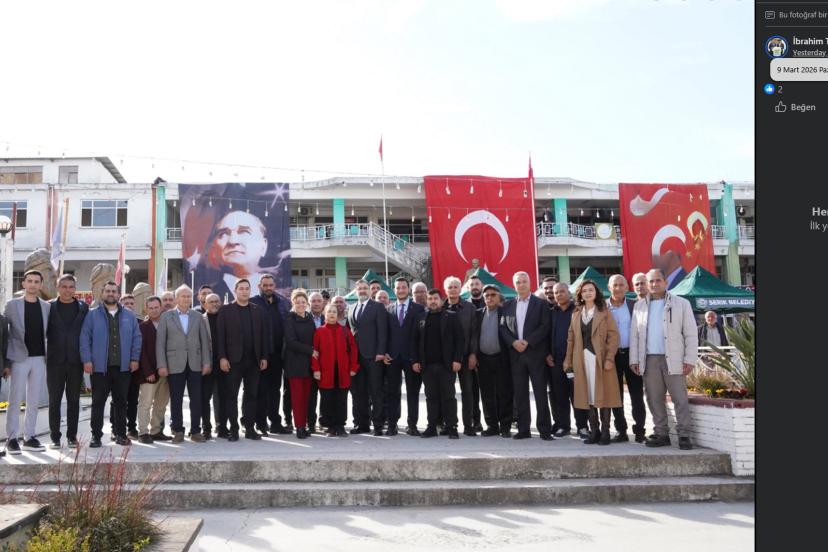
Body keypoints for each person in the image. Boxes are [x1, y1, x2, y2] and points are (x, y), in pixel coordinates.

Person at [630, 269, 698, 450]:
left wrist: (690, 359)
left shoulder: (681, 303)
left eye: (658, 280)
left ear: (665, 282)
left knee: (679, 398)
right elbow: (635, 335)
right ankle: (661, 433)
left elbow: (691, 334)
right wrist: (634, 359)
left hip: (674, 358)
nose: (654, 284)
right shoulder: (639, 306)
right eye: (651, 281)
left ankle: (684, 435)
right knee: (654, 399)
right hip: (649, 359)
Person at [80, 281, 142, 447]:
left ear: (118, 295)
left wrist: (134, 358)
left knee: (121, 403)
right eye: (107, 291)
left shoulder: (129, 316)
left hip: (123, 368)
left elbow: (137, 338)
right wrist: (87, 360)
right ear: (103, 294)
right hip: (100, 368)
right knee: (98, 403)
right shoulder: (92, 315)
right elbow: (85, 338)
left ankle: (121, 434)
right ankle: (96, 436)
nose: (110, 294)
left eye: (114, 291)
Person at [563, 279, 621, 445]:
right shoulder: (576, 313)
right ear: (580, 294)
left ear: (596, 293)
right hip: (581, 359)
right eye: (584, 291)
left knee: (604, 395)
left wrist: (609, 358)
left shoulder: (604, 312)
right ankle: (594, 431)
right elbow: (570, 339)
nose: (588, 293)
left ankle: (605, 432)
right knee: (588, 395)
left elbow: (613, 336)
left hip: (600, 359)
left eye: (591, 290)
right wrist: (568, 361)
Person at [499, 271, 553, 440]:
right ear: (514, 285)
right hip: (516, 355)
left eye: (524, 281)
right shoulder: (507, 305)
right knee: (520, 394)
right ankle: (523, 429)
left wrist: (528, 341)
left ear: (530, 283)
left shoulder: (541, 304)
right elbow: (503, 328)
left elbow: (545, 326)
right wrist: (513, 342)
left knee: (540, 393)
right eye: (518, 282)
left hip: (535, 354)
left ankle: (544, 430)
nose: (521, 284)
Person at [3, 270, 51, 454]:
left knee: (34, 399)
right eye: (29, 281)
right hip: (18, 357)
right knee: (15, 398)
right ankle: (12, 438)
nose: (32, 284)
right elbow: (4, 334)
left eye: (36, 281)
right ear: (23, 284)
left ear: (40, 285)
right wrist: (6, 362)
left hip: (40, 358)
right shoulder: (12, 305)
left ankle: (29, 437)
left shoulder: (46, 306)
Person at [156, 285, 211, 443]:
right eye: (183, 296)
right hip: (174, 363)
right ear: (176, 298)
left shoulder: (198, 316)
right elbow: (160, 343)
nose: (186, 299)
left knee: (196, 398)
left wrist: (206, 362)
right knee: (176, 399)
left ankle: (195, 431)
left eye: (188, 296)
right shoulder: (166, 317)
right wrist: (162, 364)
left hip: (195, 363)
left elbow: (204, 341)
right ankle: (178, 430)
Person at [216, 279, 268, 441]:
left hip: (254, 360)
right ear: (235, 291)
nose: (244, 291)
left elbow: (263, 336)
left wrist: (264, 356)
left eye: (247, 288)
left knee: (251, 395)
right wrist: (222, 357)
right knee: (231, 395)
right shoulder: (225, 310)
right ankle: (234, 429)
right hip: (233, 361)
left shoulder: (257, 310)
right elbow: (220, 337)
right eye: (241, 288)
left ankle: (250, 428)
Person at [412, 289, 464, 439]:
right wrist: (415, 361)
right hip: (427, 366)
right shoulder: (421, 317)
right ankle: (432, 427)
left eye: (435, 298)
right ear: (426, 301)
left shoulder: (451, 316)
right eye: (430, 299)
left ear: (441, 300)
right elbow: (414, 341)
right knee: (431, 398)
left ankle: (452, 427)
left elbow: (460, 340)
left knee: (449, 397)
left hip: (446, 365)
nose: (433, 301)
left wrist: (457, 359)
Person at [45, 274, 89, 449]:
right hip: (54, 361)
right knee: (54, 401)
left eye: (71, 287)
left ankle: (72, 437)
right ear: (58, 288)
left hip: (75, 361)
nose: (67, 290)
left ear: (75, 289)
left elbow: (87, 333)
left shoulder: (84, 308)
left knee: (74, 401)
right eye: (64, 286)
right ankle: (55, 438)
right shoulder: (48, 307)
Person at [607, 274, 647, 443]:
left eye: (621, 285)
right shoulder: (602, 307)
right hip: (611, 357)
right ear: (609, 288)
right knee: (615, 396)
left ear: (627, 287)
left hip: (632, 355)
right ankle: (621, 431)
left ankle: (640, 431)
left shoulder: (635, 305)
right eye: (615, 285)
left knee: (637, 395)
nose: (618, 288)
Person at [250, 274, 291, 435]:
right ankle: (260, 423)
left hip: (278, 354)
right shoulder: (253, 303)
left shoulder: (282, 302)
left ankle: (275, 422)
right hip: (261, 354)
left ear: (274, 286)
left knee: (275, 390)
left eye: (270, 285)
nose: (268, 288)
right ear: (259, 286)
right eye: (265, 285)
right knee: (261, 390)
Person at [547, 282, 589, 438]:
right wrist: (547, 354)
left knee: (578, 395)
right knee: (560, 395)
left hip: (576, 360)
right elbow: (546, 335)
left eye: (562, 291)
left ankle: (582, 427)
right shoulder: (552, 312)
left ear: (568, 292)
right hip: (556, 361)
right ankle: (563, 426)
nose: (559, 294)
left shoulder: (578, 310)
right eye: (556, 292)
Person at [384, 277, 425, 436]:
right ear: (394, 290)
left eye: (403, 287)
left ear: (408, 289)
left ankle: (412, 425)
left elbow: (421, 336)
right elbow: (385, 334)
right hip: (392, 357)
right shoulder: (388, 309)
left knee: (412, 392)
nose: (401, 290)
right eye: (398, 288)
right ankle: (392, 425)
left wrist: (418, 358)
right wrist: (385, 352)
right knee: (392, 392)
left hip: (412, 358)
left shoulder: (419, 309)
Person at [347, 279, 388, 435]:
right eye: (360, 288)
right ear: (356, 291)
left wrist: (381, 352)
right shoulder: (351, 308)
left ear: (370, 291)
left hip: (373, 356)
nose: (362, 290)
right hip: (356, 357)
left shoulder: (377, 307)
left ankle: (378, 425)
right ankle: (362, 424)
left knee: (376, 391)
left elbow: (382, 331)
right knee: (359, 392)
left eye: (365, 288)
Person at [472, 284, 513, 437]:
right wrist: (474, 355)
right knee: (487, 394)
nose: (489, 298)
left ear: (499, 296)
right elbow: (473, 336)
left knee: (504, 393)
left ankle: (505, 426)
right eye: (486, 295)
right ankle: (492, 425)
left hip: (502, 359)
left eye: (493, 295)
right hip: (483, 360)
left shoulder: (506, 313)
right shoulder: (478, 314)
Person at [313, 304, 359, 437]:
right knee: (327, 399)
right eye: (329, 312)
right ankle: (330, 426)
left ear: (337, 315)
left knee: (341, 399)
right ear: (325, 314)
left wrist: (353, 367)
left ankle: (340, 425)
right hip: (326, 371)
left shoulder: (345, 331)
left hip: (343, 371)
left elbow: (353, 349)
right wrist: (316, 369)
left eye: (334, 312)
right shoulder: (319, 331)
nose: (332, 314)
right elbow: (314, 352)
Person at [443, 276, 480, 436]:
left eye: (455, 287)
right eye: (450, 287)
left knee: (468, 392)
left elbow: (474, 333)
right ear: (446, 290)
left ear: (460, 289)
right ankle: (449, 424)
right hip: (446, 358)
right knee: (447, 392)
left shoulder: (470, 308)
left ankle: (469, 425)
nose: (453, 290)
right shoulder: (441, 307)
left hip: (465, 356)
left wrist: (473, 354)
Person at [208, 210, 271, 300]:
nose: (233, 241)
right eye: (224, 234)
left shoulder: (281, 300)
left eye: (244, 232)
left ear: (263, 246)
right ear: (213, 248)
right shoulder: (204, 300)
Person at [136, 296, 172, 444]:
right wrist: (148, 372)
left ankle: (156, 431)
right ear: (146, 309)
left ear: (161, 307)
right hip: (149, 373)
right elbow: (141, 351)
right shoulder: (142, 327)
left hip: (167, 371)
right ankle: (143, 432)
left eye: (156, 307)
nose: (154, 310)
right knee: (145, 403)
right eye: (150, 308)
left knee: (161, 404)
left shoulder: (168, 324)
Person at [283, 289, 317, 439]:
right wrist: (310, 350)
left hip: (308, 364)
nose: (301, 304)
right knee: (297, 398)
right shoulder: (289, 319)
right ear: (293, 303)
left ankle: (304, 424)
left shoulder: (309, 318)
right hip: (294, 364)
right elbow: (291, 342)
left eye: (303, 302)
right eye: (298, 302)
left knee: (306, 398)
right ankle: (299, 427)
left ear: (307, 303)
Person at [202, 293, 227, 438]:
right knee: (205, 398)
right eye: (211, 302)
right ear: (205, 304)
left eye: (217, 301)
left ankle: (222, 427)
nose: (214, 304)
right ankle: (206, 428)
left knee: (223, 397)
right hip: (207, 364)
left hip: (223, 364)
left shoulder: (226, 318)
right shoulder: (200, 320)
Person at [306, 291, 326, 431]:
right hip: (308, 362)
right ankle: (311, 423)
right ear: (309, 303)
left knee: (325, 394)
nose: (316, 303)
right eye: (313, 301)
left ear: (323, 303)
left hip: (325, 362)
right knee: (311, 395)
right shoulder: (304, 318)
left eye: (319, 301)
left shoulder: (328, 318)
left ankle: (323, 422)